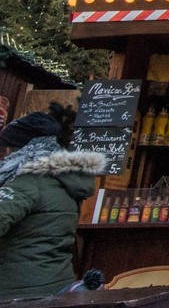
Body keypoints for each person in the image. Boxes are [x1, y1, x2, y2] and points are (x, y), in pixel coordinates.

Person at [0, 105, 105, 297]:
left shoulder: (28, 182)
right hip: (55, 284)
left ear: (27, 149)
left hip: (15, 292)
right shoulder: (65, 180)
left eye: (10, 148)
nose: (6, 155)